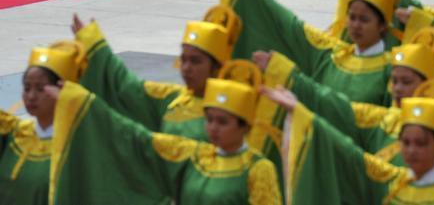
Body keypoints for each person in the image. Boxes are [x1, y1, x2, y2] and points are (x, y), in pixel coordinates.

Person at [48, 70, 282, 204]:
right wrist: (80, 103)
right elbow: (136, 137)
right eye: (209, 119)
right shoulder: (194, 155)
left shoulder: (258, 169)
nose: (213, 128)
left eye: (223, 122)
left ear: (245, 127)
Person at [253, 28, 434, 165]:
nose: (397, 88)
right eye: (394, 81)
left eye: (406, 82)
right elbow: (336, 105)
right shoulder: (382, 119)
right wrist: (292, 83)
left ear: (426, 85)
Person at [264, 81, 434, 204]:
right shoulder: (393, 182)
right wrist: (302, 115)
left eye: (421, 144)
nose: (411, 151)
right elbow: (348, 152)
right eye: (406, 142)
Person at [220, 0, 396, 105]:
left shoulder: (391, 69)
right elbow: (289, 26)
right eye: (352, 17)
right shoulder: (332, 56)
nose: (356, 25)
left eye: (364, 20)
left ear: (382, 26)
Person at [70, 5, 240, 139]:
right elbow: (126, 87)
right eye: (184, 59)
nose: (187, 67)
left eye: (196, 61)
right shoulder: (171, 98)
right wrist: (95, 47)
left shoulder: (230, 110)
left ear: (217, 66)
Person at [0, 41, 85, 205]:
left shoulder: (76, 148)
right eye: (27, 88)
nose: (31, 96)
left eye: (40, 89)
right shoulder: (15, 134)